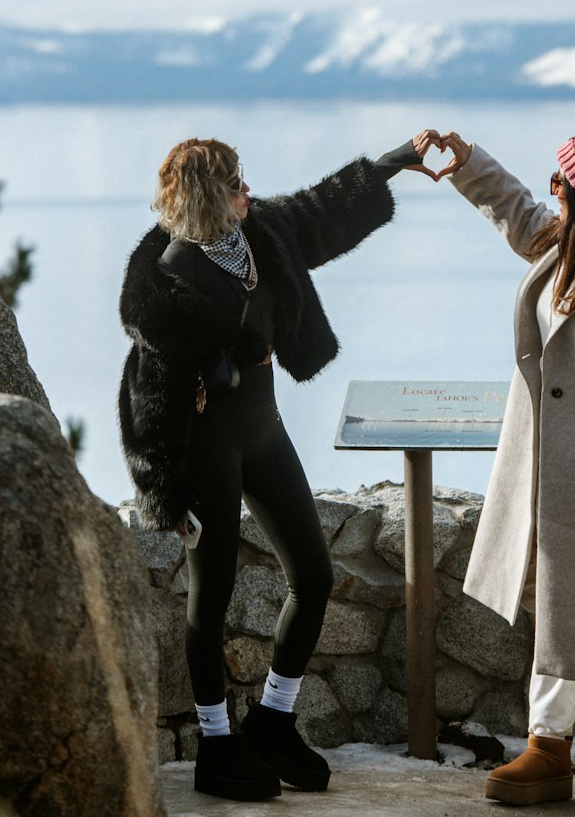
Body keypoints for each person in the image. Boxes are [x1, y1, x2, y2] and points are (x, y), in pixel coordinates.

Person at [118, 134, 429, 803]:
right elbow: (145, 393)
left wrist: (387, 165)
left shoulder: (258, 232)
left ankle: (272, 721)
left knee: (314, 576)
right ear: (209, 193)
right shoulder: (171, 275)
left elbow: (321, 212)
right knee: (212, 598)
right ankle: (217, 746)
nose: (248, 189)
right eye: (236, 181)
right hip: (207, 450)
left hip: (264, 433)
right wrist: (164, 494)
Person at [417, 110, 575, 815]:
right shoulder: (564, 245)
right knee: (555, 612)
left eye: (564, 178)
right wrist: (467, 161)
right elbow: (514, 209)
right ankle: (548, 744)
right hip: (544, 477)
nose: (552, 184)